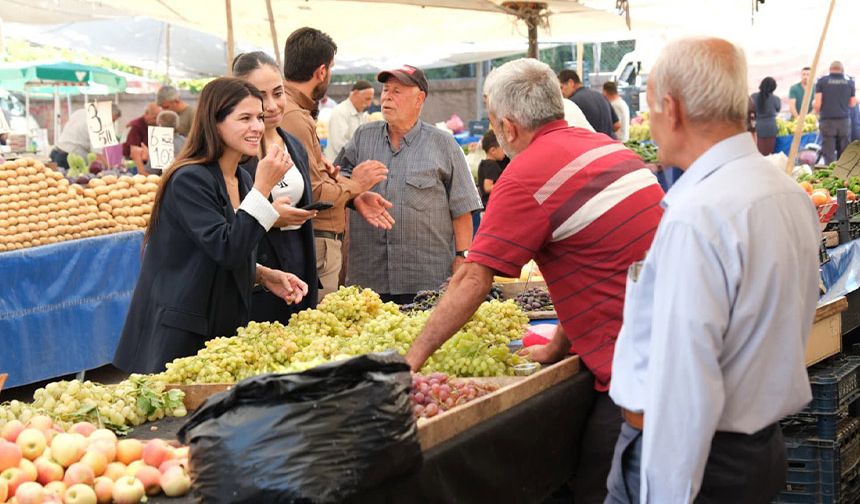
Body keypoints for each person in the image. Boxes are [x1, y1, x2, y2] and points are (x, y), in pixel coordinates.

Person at [403, 58, 664, 503]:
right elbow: (596, 268)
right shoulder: (609, 149)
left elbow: (472, 280)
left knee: (600, 488)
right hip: (677, 348)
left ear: (507, 125)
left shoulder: (525, 175)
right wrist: (560, 346)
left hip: (638, 374)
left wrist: (409, 362)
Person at [606, 37, 820, 503]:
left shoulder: (699, 215)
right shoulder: (786, 192)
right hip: (751, 451)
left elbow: (685, 388)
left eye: (650, 108)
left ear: (671, 109)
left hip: (700, 461)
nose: (651, 124)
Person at [114, 78, 308, 374]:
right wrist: (263, 188)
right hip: (181, 338)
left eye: (258, 117)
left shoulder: (242, 179)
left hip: (219, 333)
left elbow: (224, 248)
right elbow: (226, 249)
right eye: (244, 118)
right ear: (215, 123)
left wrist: (263, 275)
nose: (257, 126)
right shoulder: (190, 179)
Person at [335, 65, 482, 304]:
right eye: (385, 90)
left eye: (397, 91)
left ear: (419, 99)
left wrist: (462, 257)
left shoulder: (443, 144)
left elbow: (462, 207)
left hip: (426, 278)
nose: (387, 97)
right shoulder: (363, 137)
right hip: (370, 279)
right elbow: (336, 181)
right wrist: (355, 196)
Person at [280, 27, 393, 302]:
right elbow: (314, 192)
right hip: (316, 237)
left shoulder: (299, 113)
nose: (387, 98)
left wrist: (353, 195)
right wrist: (356, 184)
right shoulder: (293, 116)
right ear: (322, 72)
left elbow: (316, 177)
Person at [233, 51, 320, 322]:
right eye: (261, 96)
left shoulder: (293, 144)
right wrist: (269, 216)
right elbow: (222, 228)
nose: (271, 105)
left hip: (298, 268)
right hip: (255, 276)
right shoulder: (235, 154)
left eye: (278, 93)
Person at [49, 104, 121, 169]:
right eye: (112, 120)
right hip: (69, 161)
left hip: (56, 153)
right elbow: (97, 156)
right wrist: (110, 167)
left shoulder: (81, 112)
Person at [815, 61, 857, 164]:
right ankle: (843, 176)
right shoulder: (850, 82)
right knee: (844, 150)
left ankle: (830, 175)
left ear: (830, 69)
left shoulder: (822, 81)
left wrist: (817, 113)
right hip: (844, 121)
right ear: (842, 70)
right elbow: (852, 103)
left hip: (827, 121)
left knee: (828, 151)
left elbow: (817, 104)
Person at [558, 69, 619, 138]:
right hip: (611, 144)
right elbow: (617, 125)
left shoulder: (572, 104)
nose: (561, 92)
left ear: (570, 83)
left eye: (561, 87)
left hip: (593, 146)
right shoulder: (600, 96)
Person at [324, 80, 374, 160]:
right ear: (356, 94)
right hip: (339, 167)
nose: (369, 104)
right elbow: (340, 145)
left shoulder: (362, 115)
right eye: (367, 99)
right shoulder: (340, 112)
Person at [476, 130, 509, 208]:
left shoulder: (484, 164)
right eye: (503, 148)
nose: (505, 152)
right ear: (493, 151)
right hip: (491, 204)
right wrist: (505, 186)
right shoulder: (492, 165)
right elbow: (487, 187)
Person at [751, 76, 781, 156]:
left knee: (758, 153)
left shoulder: (753, 97)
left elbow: (750, 110)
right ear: (774, 87)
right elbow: (778, 109)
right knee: (769, 154)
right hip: (771, 128)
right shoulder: (776, 99)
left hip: (758, 127)